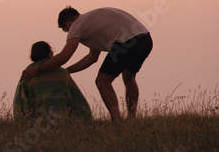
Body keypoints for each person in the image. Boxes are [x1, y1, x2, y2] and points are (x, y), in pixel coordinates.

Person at [22, 7, 153, 121]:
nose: (69, 34)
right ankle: (132, 119)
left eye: (66, 31)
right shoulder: (91, 22)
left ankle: (117, 121)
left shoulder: (77, 26)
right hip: (145, 39)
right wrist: (66, 71)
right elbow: (91, 58)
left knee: (102, 81)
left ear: (67, 25)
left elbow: (63, 57)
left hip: (126, 41)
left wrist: (37, 69)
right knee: (129, 77)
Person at [13, 41, 92, 121]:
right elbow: (77, 99)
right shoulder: (63, 73)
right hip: (62, 121)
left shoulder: (28, 73)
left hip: (36, 123)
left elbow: (20, 102)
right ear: (50, 54)